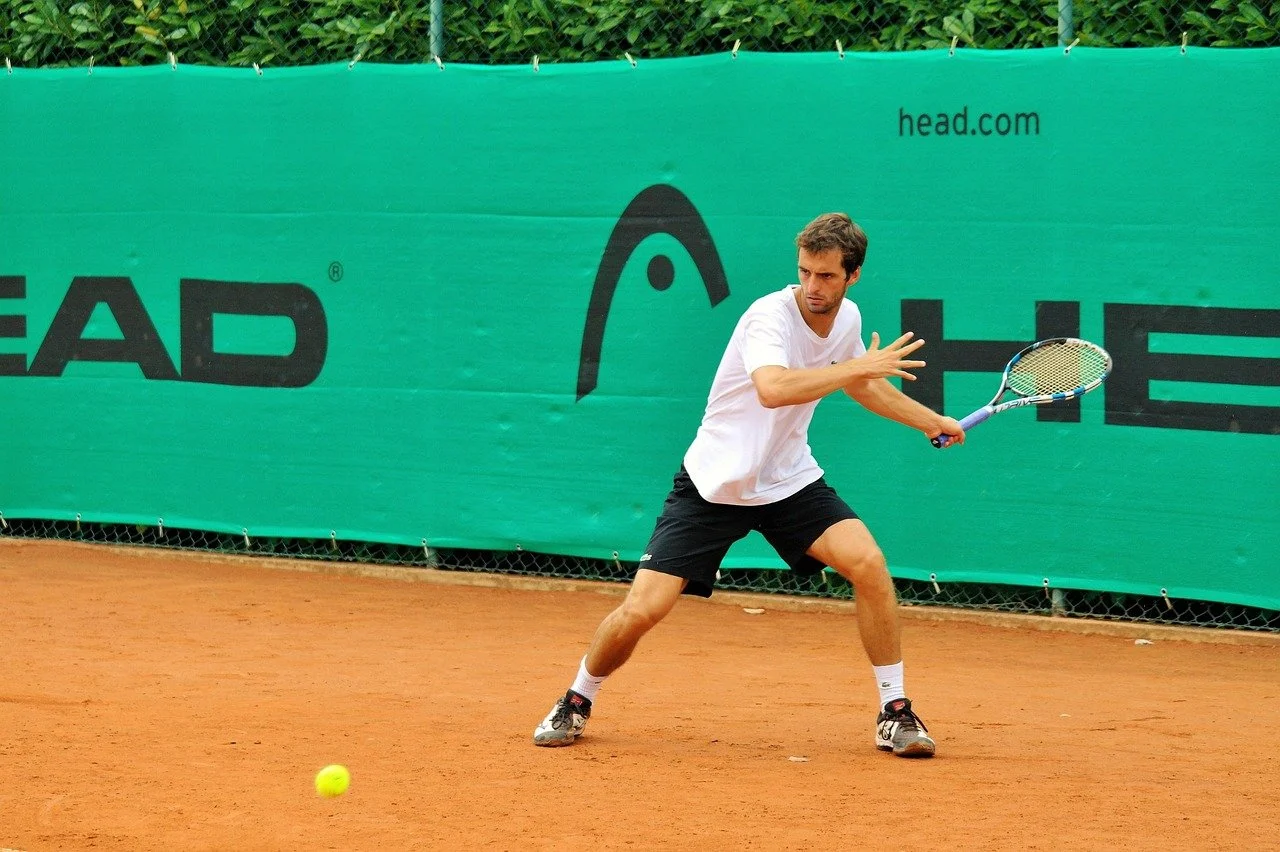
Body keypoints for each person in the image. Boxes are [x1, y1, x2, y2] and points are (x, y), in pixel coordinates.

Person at [534, 213, 965, 758]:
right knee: (642, 610)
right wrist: (857, 368)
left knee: (870, 566)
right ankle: (577, 699)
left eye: (827, 276)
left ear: (852, 275)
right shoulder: (769, 316)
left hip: (788, 480)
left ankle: (895, 713)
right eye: (806, 271)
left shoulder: (847, 319)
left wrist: (929, 420)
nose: (813, 286)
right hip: (715, 484)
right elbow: (774, 388)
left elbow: (864, 387)